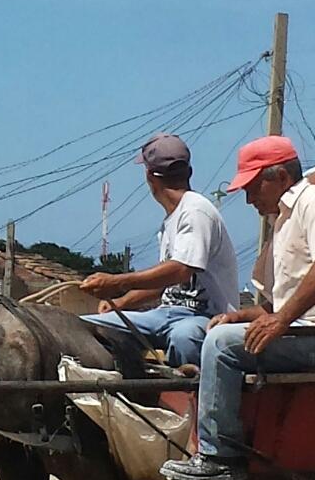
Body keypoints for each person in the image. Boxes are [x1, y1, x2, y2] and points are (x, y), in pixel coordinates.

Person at [163, 136, 315, 480]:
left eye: (253, 187)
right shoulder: (284, 220)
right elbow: (277, 302)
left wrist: (280, 320)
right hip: (313, 328)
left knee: (221, 345)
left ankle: (220, 453)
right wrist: (241, 316)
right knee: (215, 332)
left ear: (280, 176)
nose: (249, 198)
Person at [80, 134, 241, 371]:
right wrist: (121, 303)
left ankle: (190, 399)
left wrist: (116, 282)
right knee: (88, 326)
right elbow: (164, 283)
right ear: (189, 172)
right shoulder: (171, 220)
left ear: (149, 176)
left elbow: (181, 270)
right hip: (166, 314)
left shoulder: (196, 212)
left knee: (184, 337)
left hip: (205, 317)